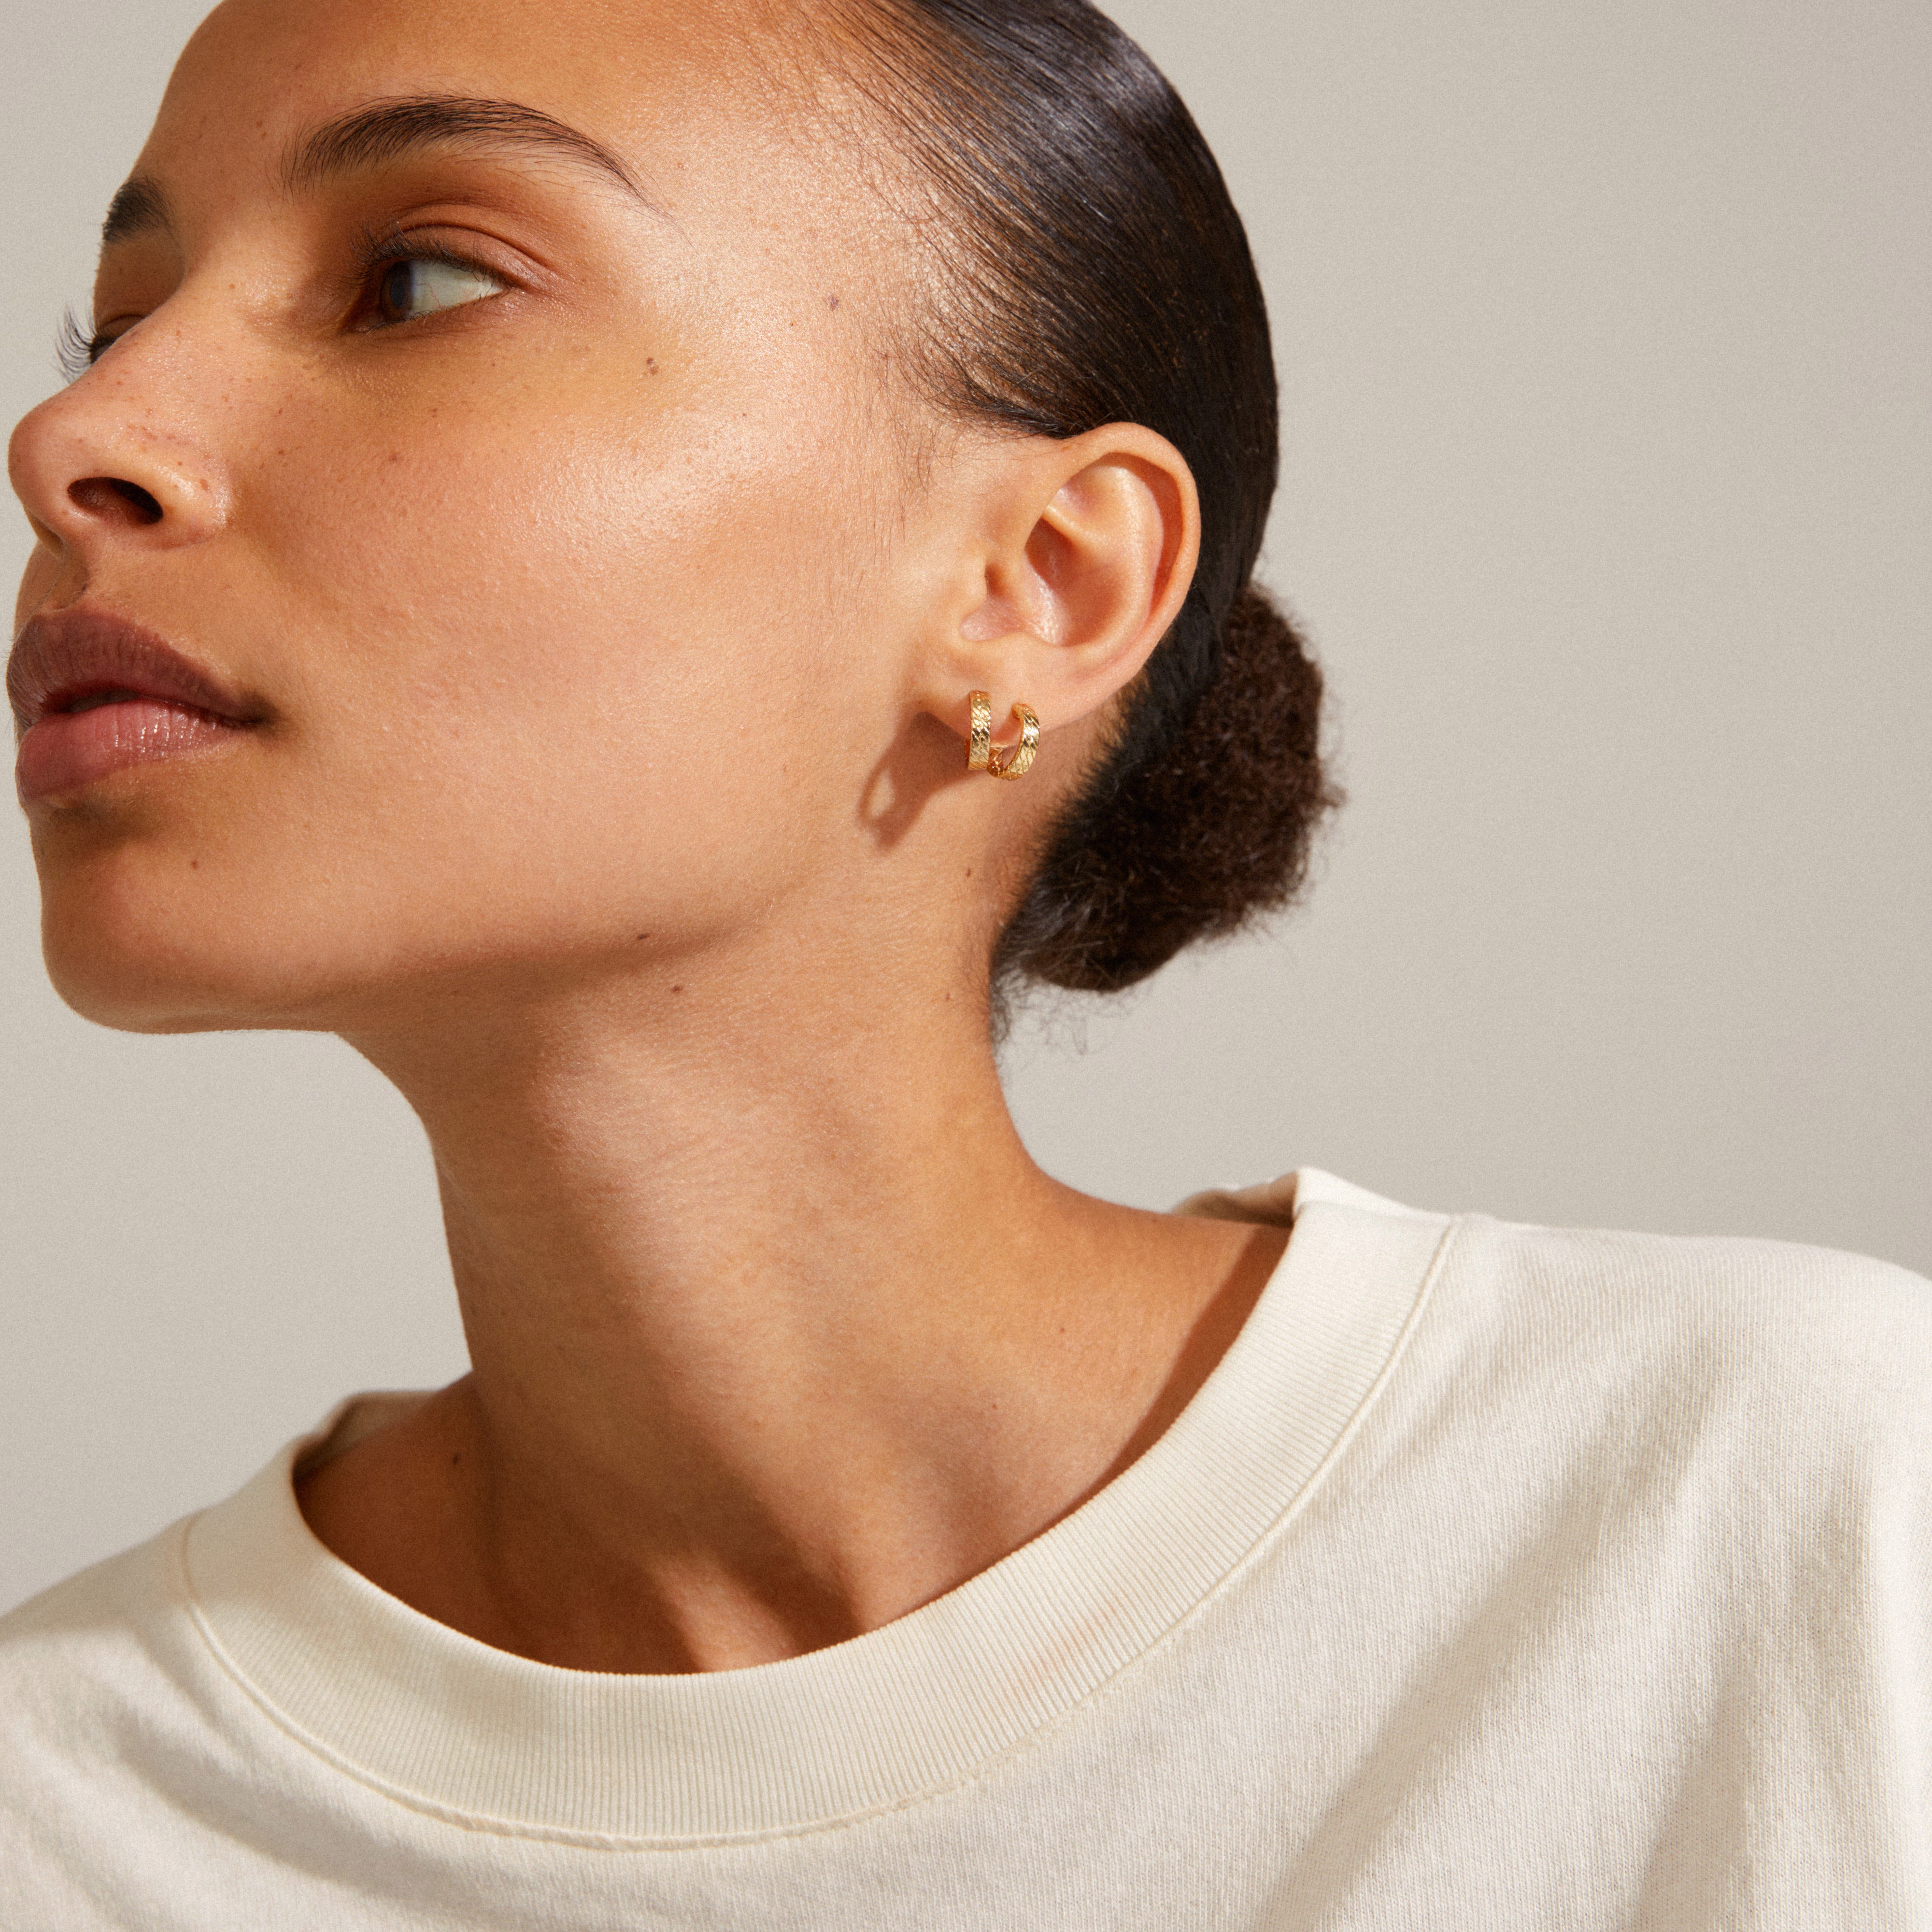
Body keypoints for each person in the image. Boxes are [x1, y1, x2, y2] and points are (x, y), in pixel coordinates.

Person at [3, 0, 1928, 1923]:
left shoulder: (1781, 1513)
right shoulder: (57, 1818)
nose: (72, 433)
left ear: (1038, 587)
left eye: (416, 279)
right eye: (117, 324)